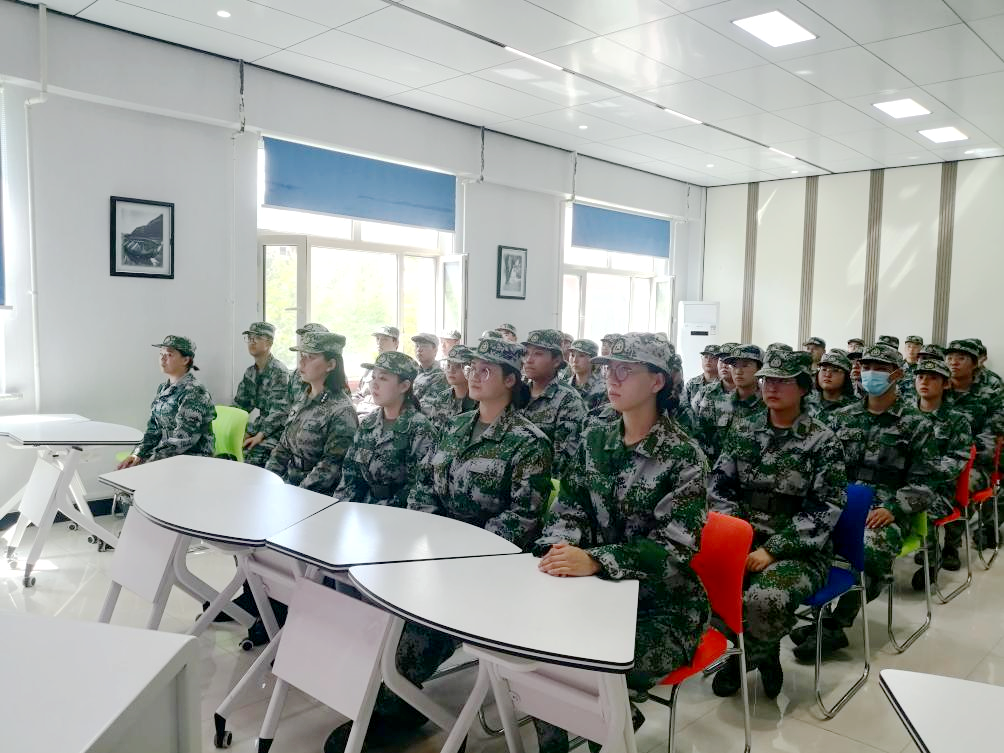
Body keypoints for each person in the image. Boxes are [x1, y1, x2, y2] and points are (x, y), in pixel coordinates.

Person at [324, 339, 554, 753]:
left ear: (510, 380)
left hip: (486, 568)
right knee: (375, 615)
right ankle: (392, 698)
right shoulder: (455, 427)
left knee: (406, 642)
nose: (474, 375)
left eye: (486, 370)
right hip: (436, 554)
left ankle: (393, 709)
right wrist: (433, 538)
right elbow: (424, 487)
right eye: (472, 368)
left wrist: (458, 554)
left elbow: (522, 519)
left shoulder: (529, 442)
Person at [532, 332, 710, 753]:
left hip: (661, 607)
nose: (612, 378)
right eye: (610, 369)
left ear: (657, 381)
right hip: (593, 594)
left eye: (626, 370)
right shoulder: (596, 438)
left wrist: (597, 560)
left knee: (590, 672)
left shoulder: (684, 457)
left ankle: (610, 729)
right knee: (539, 660)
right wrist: (559, 550)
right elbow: (570, 507)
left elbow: (673, 550)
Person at [708, 350, 846, 698]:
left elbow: (825, 508)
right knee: (691, 583)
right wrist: (737, 537)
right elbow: (718, 487)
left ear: (803, 388)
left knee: (765, 599)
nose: (771, 387)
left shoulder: (823, 441)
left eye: (783, 381)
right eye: (768, 379)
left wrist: (772, 549)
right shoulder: (745, 429)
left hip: (799, 551)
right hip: (744, 541)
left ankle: (744, 658)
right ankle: (765, 651)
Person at [794, 344, 940, 660]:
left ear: (897, 375)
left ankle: (835, 625)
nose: (871, 373)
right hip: (840, 504)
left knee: (869, 551)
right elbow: (822, 467)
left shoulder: (916, 424)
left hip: (884, 510)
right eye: (867, 367)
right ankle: (812, 615)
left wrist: (894, 508)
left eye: (881, 368)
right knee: (801, 539)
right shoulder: (843, 417)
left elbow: (927, 482)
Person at [335, 351, 437, 507]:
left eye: (383, 378)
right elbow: (350, 474)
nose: (374, 384)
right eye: (373, 377)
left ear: (404, 386)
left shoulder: (420, 429)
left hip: (399, 512)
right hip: (364, 508)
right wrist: (340, 508)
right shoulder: (368, 423)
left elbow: (422, 489)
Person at [265, 332, 359, 495]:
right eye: (302, 355)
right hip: (289, 486)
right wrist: (267, 480)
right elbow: (283, 448)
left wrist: (295, 494)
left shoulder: (342, 411)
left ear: (331, 365)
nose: (301, 362)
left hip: (317, 495)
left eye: (311, 357)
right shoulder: (304, 398)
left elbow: (329, 469)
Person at [909, 358, 972, 587]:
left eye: (933, 378)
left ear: (945, 384)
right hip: (902, 483)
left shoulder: (957, 420)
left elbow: (956, 460)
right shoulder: (903, 414)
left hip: (940, 488)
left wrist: (921, 477)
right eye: (920, 377)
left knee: (919, 506)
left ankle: (932, 559)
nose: (924, 382)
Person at [118, 335, 216, 468]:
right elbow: (153, 429)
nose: (162, 358)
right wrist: (138, 454)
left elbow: (183, 439)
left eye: (169, 354)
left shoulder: (194, 392)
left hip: (192, 458)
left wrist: (149, 462)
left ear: (185, 360)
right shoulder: (163, 388)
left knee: (133, 475)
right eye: (161, 354)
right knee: (126, 468)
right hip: (167, 454)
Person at [944, 339, 1004, 549]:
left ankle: (950, 547)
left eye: (961, 358)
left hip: (974, 462)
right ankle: (929, 548)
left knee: (958, 489)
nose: (954, 362)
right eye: (950, 358)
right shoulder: (939, 386)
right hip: (939, 459)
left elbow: (991, 437)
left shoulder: (990, 390)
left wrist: (959, 458)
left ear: (975, 363)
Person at [520, 329, 587, 477]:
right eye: (526, 353)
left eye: (538, 354)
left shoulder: (569, 401)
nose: (528, 360)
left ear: (556, 361)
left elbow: (563, 462)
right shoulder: (517, 393)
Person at [692, 344, 765, 462]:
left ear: (760, 369)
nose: (738, 371)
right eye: (734, 365)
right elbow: (695, 430)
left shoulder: (768, 402)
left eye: (745, 365)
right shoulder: (720, 399)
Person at [232, 322, 290, 467]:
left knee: (252, 455)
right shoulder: (250, 372)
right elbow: (240, 405)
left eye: (257, 337)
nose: (252, 341)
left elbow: (280, 412)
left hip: (279, 429)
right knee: (228, 448)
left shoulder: (279, 372)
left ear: (269, 343)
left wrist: (259, 435)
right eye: (250, 337)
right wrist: (229, 425)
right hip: (260, 425)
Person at [422, 344, 478, 423]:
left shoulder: (478, 400)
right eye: (448, 365)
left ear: (469, 369)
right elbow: (434, 427)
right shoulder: (442, 397)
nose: (451, 370)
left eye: (458, 366)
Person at [353, 325, 400, 414]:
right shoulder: (370, 368)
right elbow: (359, 394)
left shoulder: (401, 369)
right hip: (361, 412)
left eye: (384, 339)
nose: (379, 342)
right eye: (377, 339)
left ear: (396, 342)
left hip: (381, 415)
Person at [289, 323, 329, 403]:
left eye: (311, 356)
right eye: (303, 337)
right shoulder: (296, 374)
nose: (306, 340)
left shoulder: (334, 378)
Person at [410, 333, 449, 413]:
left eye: (424, 346)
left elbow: (427, 409)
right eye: (417, 346)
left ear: (435, 350)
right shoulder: (412, 372)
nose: (419, 349)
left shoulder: (440, 377)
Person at [810, 349, 856, 415]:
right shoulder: (805, 402)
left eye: (835, 371)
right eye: (824, 369)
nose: (827, 375)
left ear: (846, 376)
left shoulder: (856, 406)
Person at [565, 338, 606, 410]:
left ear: (593, 359)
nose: (575, 360)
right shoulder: (564, 385)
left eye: (581, 355)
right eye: (572, 355)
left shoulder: (603, 389)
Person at [683, 344, 719, 415]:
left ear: (720, 361)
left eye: (713, 357)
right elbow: (682, 407)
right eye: (705, 357)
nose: (708, 360)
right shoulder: (692, 383)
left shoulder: (724, 384)